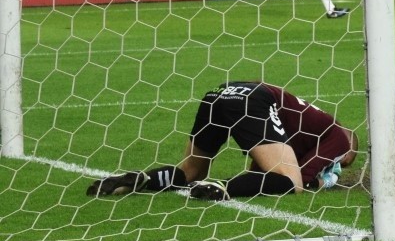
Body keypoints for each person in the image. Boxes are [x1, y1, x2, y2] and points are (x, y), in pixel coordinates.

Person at [87, 81, 358, 200]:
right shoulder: (339, 138)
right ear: (348, 149)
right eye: (344, 162)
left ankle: (142, 179)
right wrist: (325, 180)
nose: (339, 163)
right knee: (291, 183)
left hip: (221, 92)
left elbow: (262, 172)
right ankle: (221, 187)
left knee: (190, 171)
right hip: (255, 99)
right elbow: (305, 180)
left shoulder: (309, 126)